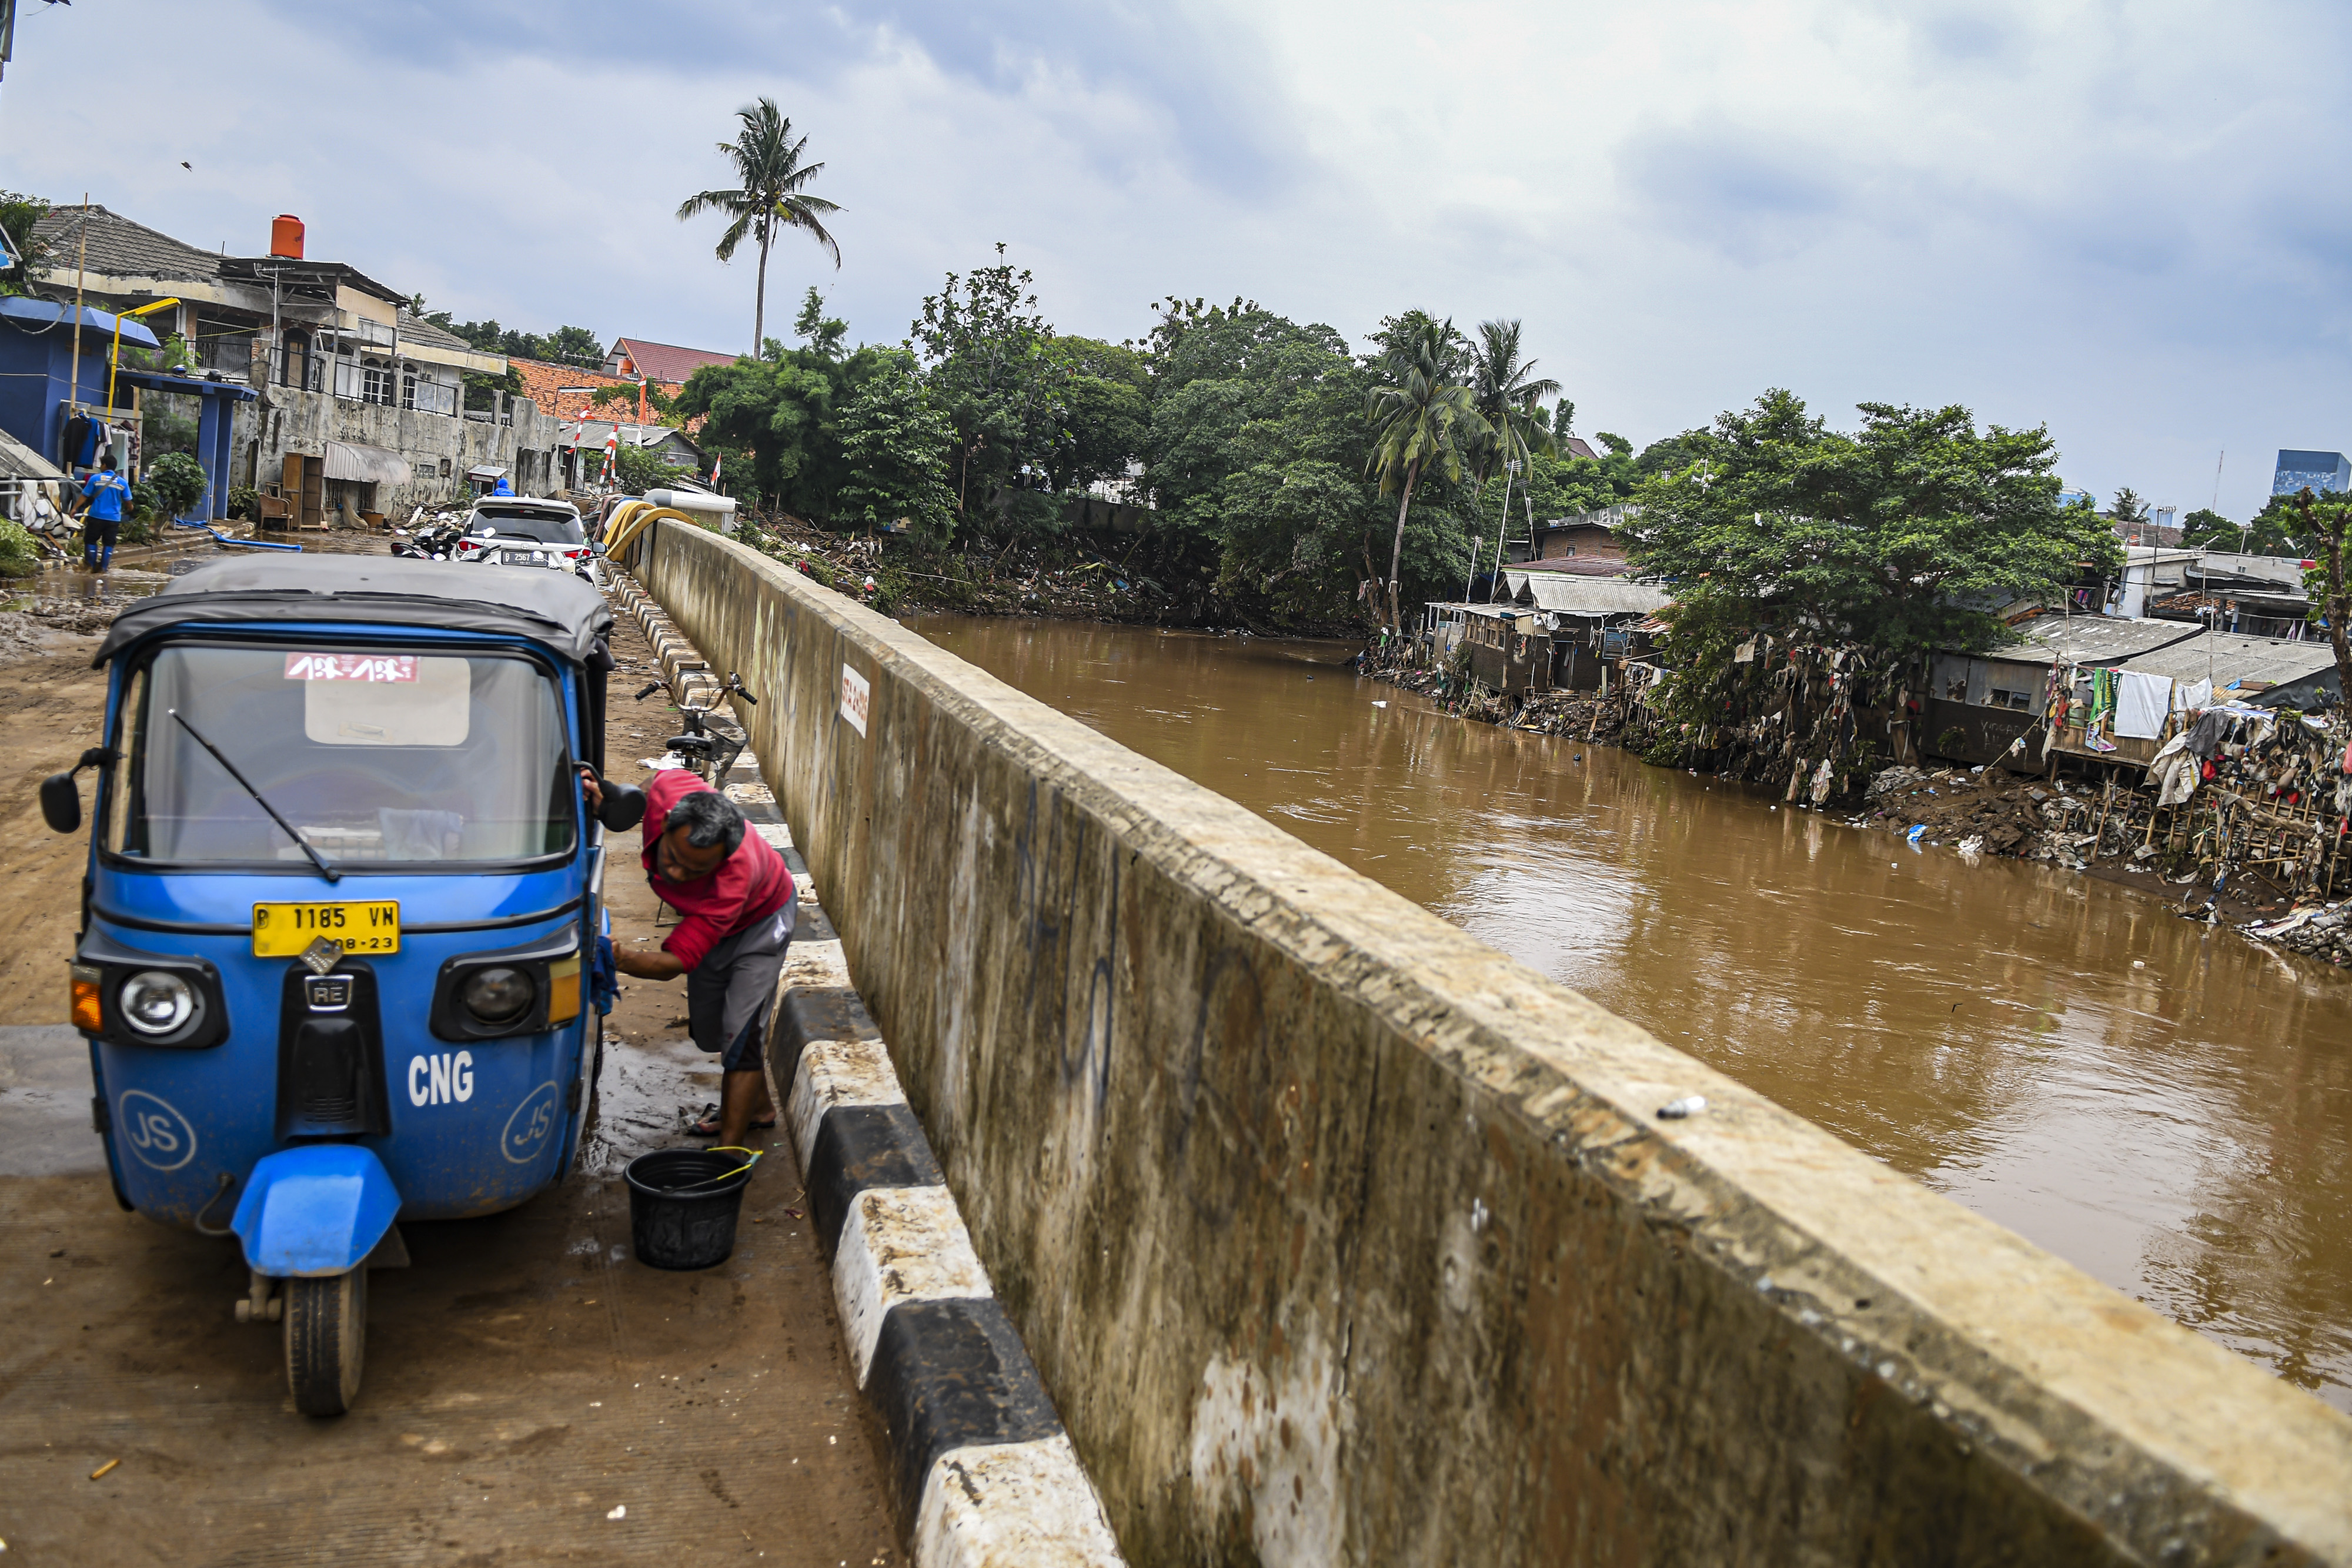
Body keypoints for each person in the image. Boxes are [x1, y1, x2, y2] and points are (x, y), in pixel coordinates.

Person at [580, 767, 794, 1146]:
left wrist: (621, 957)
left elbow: (675, 965)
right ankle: (759, 1110)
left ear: (718, 864)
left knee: (740, 1035)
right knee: (712, 1031)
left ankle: (729, 1148)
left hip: (762, 920)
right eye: (673, 857)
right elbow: (649, 788)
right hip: (716, 921)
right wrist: (610, 797)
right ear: (665, 824)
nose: (676, 874)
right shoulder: (671, 790)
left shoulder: (732, 882)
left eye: (694, 870)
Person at [76, 454, 131, 571]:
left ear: (105, 465)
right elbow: (128, 502)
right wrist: (131, 509)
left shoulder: (95, 479)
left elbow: (85, 496)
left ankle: (90, 565)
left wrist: (74, 508)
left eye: (101, 464)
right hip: (113, 519)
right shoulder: (123, 482)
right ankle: (104, 568)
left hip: (96, 516)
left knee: (91, 540)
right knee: (109, 543)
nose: (100, 467)